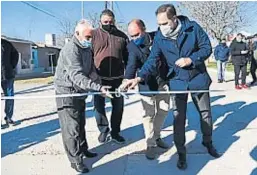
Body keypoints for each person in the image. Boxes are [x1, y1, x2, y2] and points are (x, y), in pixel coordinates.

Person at [122, 4, 220, 170]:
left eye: (164, 23)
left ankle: (208, 141)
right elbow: (152, 60)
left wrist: (191, 60)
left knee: (205, 114)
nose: (161, 27)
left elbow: (206, 48)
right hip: (177, 82)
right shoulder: (160, 37)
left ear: (174, 19)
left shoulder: (193, 28)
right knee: (178, 118)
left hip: (198, 79)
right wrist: (138, 78)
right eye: (159, 24)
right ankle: (181, 153)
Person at [54, 19, 112, 173]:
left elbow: (91, 70)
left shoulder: (87, 49)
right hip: (66, 94)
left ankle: (83, 149)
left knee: (80, 124)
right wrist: (98, 88)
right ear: (77, 34)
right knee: (71, 128)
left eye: (91, 37)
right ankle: (76, 160)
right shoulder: (70, 50)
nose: (90, 40)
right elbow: (78, 76)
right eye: (87, 37)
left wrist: (100, 84)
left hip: (80, 92)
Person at [119, 19, 170, 159]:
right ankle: (150, 144)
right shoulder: (132, 47)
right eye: (131, 36)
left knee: (164, 110)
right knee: (148, 115)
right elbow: (131, 65)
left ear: (144, 29)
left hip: (163, 81)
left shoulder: (157, 37)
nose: (134, 38)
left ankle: (157, 137)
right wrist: (126, 80)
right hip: (145, 83)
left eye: (136, 34)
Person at [91, 9, 128, 144]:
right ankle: (103, 130)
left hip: (117, 80)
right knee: (99, 107)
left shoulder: (122, 36)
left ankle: (115, 132)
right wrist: (92, 76)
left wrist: (127, 77)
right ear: (100, 21)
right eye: (105, 22)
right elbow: (89, 56)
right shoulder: (94, 35)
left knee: (118, 107)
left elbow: (128, 57)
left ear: (114, 21)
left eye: (110, 22)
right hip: (99, 80)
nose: (108, 24)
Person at [1, 37, 19, 126]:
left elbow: (15, 55)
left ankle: (8, 117)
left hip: (8, 75)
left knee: (10, 96)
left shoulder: (6, 44)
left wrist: (11, 66)